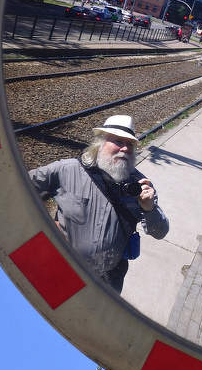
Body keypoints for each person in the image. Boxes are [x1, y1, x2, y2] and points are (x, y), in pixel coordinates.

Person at [29, 114, 169, 292]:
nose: (125, 148)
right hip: (63, 267)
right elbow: (19, 185)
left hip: (108, 281)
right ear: (100, 143)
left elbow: (160, 232)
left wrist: (149, 209)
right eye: (118, 141)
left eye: (130, 144)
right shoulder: (68, 170)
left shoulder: (140, 186)